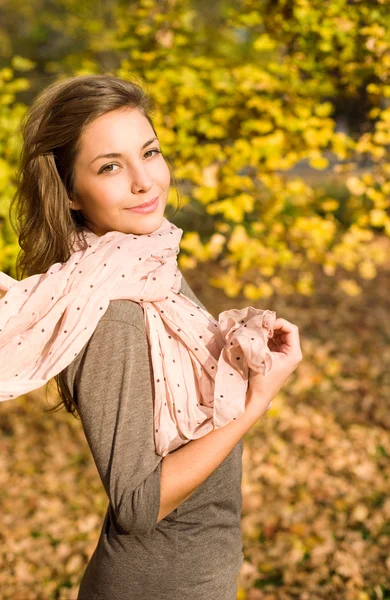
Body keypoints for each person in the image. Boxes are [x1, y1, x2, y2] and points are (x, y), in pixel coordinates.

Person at [9, 74, 303, 600]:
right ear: (71, 193)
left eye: (150, 152)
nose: (145, 181)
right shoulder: (112, 309)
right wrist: (258, 400)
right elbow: (139, 506)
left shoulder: (152, 266)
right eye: (110, 167)